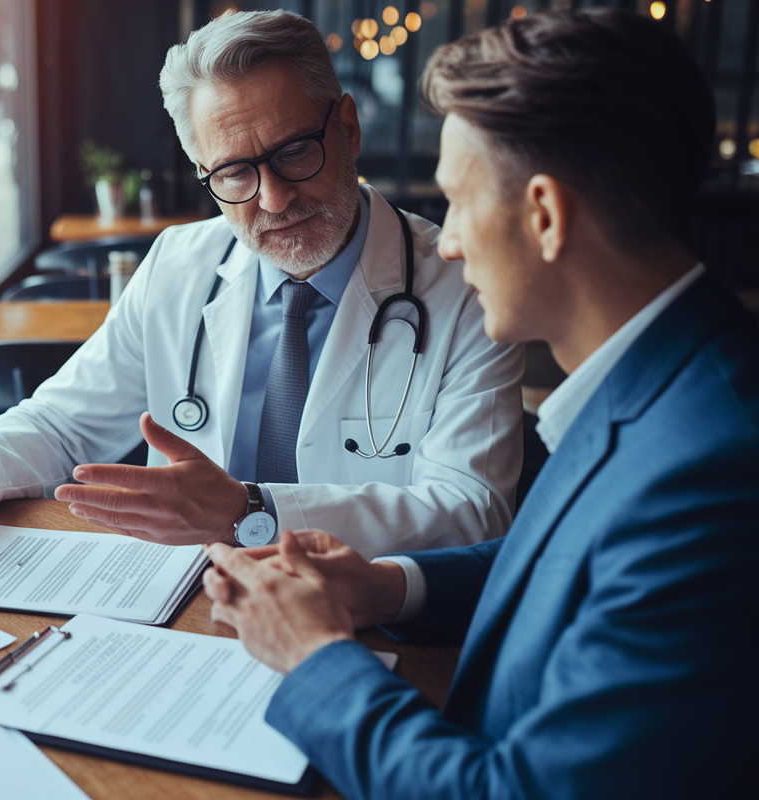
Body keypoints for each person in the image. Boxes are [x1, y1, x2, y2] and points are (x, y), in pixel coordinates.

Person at [202, 9, 759, 799]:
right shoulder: (665, 384)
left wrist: (312, 656)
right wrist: (387, 586)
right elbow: (575, 561)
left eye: (458, 202)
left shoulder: (717, 475)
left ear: (544, 215)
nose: (450, 242)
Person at [0, 10, 525, 557]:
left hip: (365, 615)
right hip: (182, 602)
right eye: (235, 172)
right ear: (203, 173)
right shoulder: (178, 264)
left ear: (349, 129)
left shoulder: (467, 288)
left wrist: (250, 510)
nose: (273, 198)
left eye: (295, 151)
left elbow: (471, 510)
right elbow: (66, 424)